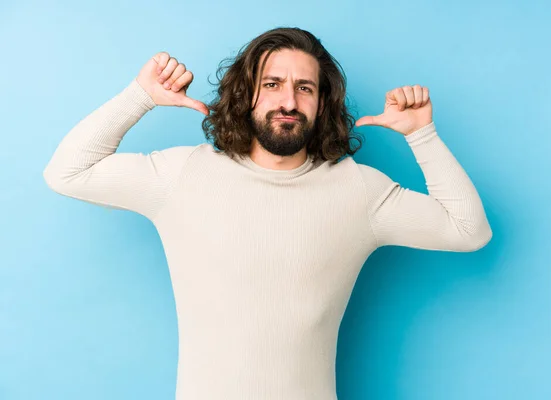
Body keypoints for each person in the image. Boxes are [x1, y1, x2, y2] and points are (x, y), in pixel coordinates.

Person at [43, 27, 492, 400]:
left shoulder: (358, 190)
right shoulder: (183, 174)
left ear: (322, 102)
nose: (289, 102)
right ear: (247, 94)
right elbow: (67, 172)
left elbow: (468, 230)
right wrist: (139, 96)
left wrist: (423, 135)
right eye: (272, 84)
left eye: (305, 88)